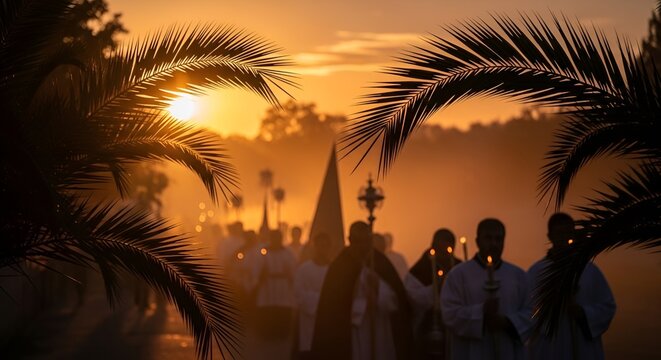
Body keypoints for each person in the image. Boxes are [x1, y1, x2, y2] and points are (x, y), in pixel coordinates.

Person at [311, 221, 412, 360]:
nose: (361, 246)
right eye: (357, 241)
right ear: (350, 240)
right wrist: (363, 305)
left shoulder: (380, 262)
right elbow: (333, 306)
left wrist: (378, 290)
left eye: (365, 241)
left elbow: (396, 298)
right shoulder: (341, 265)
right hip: (354, 332)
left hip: (380, 327)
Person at [526, 213, 616, 360]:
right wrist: (553, 308)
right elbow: (527, 311)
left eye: (567, 233)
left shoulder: (589, 271)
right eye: (559, 233)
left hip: (582, 345)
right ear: (550, 236)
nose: (563, 238)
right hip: (549, 347)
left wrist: (582, 313)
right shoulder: (536, 272)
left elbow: (608, 306)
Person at [441, 218, 531, 360]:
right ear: (477, 241)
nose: (493, 244)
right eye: (488, 238)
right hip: (471, 351)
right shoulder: (458, 275)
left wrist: (508, 322)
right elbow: (449, 314)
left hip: (507, 349)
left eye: (498, 239)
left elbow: (531, 312)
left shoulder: (518, 276)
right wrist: (481, 313)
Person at [406, 228, 462, 359]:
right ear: (434, 246)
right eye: (441, 250)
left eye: (448, 250)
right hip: (428, 328)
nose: (444, 254)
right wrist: (435, 288)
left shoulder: (459, 268)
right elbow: (413, 298)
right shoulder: (419, 270)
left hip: (455, 330)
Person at [294, 232, 333, 359]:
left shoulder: (334, 270)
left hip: (327, 319)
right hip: (308, 321)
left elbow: (336, 294)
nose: (322, 250)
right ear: (314, 247)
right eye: (319, 246)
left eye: (325, 247)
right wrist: (321, 300)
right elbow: (299, 294)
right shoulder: (304, 269)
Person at [253, 229, 297, 340]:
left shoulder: (288, 252)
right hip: (267, 285)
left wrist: (290, 277)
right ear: (271, 239)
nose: (276, 240)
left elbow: (293, 269)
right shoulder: (263, 252)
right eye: (274, 237)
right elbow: (256, 268)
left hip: (283, 286)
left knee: (282, 308)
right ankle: (266, 333)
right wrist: (261, 275)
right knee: (268, 308)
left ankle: (282, 333)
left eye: (278, 238)